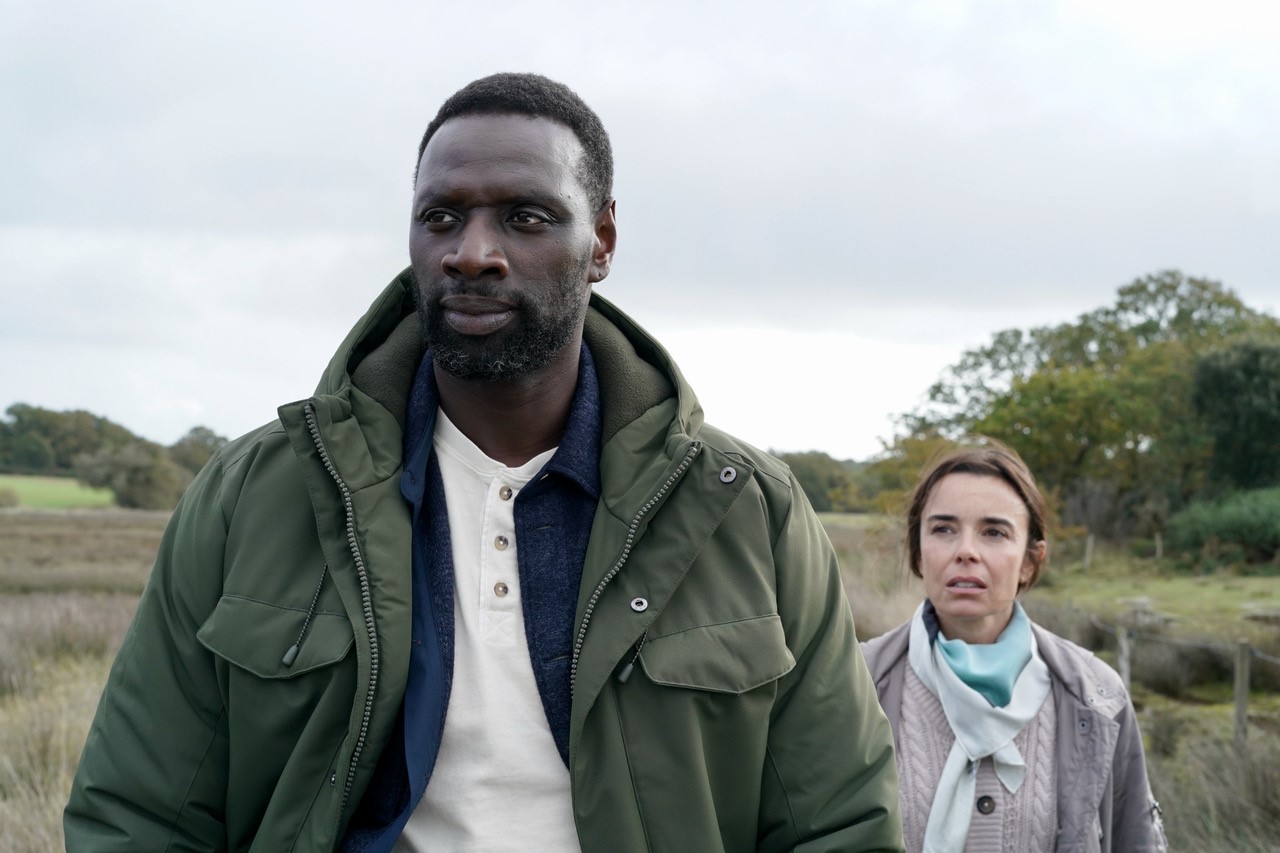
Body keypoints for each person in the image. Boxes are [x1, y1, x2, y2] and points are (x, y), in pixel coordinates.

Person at [65, 73, 903, 852]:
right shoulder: (255, 493)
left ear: (602, 240)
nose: (471, 252)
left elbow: (839, 822)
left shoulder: (745, 509)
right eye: (441, 217)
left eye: (525, 218)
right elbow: (138, 813)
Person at [861, 442, 1167, 852]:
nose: (966, 551)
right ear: (918, 552)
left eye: (994, 532)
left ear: (1029, 560)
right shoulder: (856, 684)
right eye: (943, 529)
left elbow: (1135, 840)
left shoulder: (1097, 696)